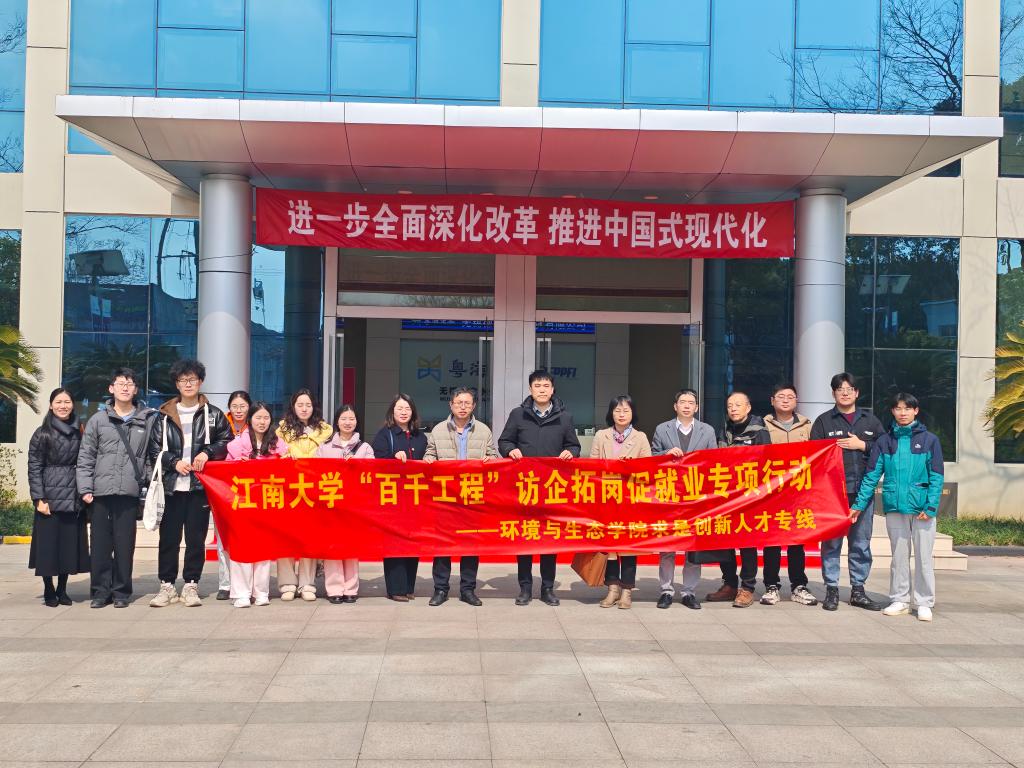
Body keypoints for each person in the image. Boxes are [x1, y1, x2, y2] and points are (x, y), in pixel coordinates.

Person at [851, 394, 943, 622]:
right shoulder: (885, 441)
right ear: (892, 411)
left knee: (923, 557)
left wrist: (931, 505)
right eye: (898, 408)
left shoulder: (930, 440)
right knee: (899, 556)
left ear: (916, 411)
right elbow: (871, 476)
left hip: (922, 509)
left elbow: (936, 475)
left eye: (907, 408)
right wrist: (859, 504)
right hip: (895, 507)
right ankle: (900, 599)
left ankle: (924, 602)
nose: (903, 413)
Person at [147, 359, 230, 608]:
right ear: (177, 384)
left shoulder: (213, 414)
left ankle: (191, 584)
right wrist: (174, 462)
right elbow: (154, 449)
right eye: (183, 380)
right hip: (172, 487)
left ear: (200, 382)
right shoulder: (163, 416)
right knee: (168, 539)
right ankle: (167, 586)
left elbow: (226, 441)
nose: (188, 384)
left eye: (192, 379)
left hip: (199, 487)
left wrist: (207, 452)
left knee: (195, 539)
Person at [498, 370, 580, 606]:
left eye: (546, 386)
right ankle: (525, 588)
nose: (542, 390)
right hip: (525, 488)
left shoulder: (565, 417)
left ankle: (547, 588)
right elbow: (504, 441)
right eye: (537, 385)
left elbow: (574, 445)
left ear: (552, 390)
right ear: (530, 389)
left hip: (552, 489)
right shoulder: (518, 414)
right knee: (525, 538)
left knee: (549, 540)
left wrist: (570, 452)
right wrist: (510, 450)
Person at [77, 368, 156, 608]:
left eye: (130, 383)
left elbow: (150, 457)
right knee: (100, 545)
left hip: (129, 492)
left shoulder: (146, 420)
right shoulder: (98, 420)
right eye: (120, 383)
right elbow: (86, 456)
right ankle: (100, 592)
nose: (125, 387)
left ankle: (121, 592)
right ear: (111, 388)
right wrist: (85, 488)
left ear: (136, 389)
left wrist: (149, 485)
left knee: (124, 545)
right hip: (100, 492)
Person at [810, 373, 886, 612]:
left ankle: (858, 590)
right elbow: (813, 457)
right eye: (840, 389)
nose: (845, 393)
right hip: (833, 494)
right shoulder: (823, 422)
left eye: (849, 389)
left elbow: (885, 450)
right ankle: (831, 589)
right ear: (833, 393)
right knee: (831, 543)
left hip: (863, 493)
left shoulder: (870, 421)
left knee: (860, 543)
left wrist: (862, 445)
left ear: (856, 393)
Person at [424, 387, 498, 607]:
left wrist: (491, 459)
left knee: (470, 544)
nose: (463, 407)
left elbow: (493, 456)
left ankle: (468, 589)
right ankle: (440, 589)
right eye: (459, 403)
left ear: (473, 406)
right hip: (445, 497)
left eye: (467, 403)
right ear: (451, 405)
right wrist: (428, 459)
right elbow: (430, 453)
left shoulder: (483, 430)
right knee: (442, 545)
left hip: (472, 496)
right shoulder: (438, 430)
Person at [650, 388, 716, 610]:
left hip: (696, 496)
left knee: (692, 546)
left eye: (691, 402)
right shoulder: (662, 429)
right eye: (683, 402)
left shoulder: (707, 430)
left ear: (696, 407)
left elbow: (714, 461)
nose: (687, 406)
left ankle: (689, 592)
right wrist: (666, 454)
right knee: (667, 546)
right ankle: (666, 591)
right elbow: (651, 457)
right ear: (675, 406)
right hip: (669, 495)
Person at [28, 388, 89, 607]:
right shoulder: (41, 433)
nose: (63, 406)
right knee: (48, 547)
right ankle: (48, 588)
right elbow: (34, 467)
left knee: (68, 546)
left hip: (73, 496)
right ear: (51, 405)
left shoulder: (80, 431)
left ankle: (63, 589)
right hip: (50, 498)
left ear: (73, 405)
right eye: (58, 402)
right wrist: (39, 498)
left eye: (67, 402)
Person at [709, 391, 770, 608]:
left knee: (746, 542)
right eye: (730, 405)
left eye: (737, 405)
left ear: (748, 407)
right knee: (725, 541)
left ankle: (747, 587)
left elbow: (767, 463)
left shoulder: (759, 431)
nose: (733, 409)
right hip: (726, 496)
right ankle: (729, 584)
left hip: (750, 497)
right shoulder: (724, 429)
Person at [590, 395, 651, 610]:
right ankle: (612, 589)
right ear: (611, 413)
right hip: (607, 499)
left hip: (631, 500)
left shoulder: (640, 437)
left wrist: (631, 467)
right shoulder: (601, 435)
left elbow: (648, 469)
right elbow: (592, 466)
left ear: (633, 413)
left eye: (626, 410)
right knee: (610, 547)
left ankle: (627, 591)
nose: (622, 414)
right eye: (617, 410)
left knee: (628, 547)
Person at [760, 384, 818, 607]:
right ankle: (771, 585)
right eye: (781, 396)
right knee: (772, 541)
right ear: (772, 400)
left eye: (790, 397)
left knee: (797, 541)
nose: (785, 400)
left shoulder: (808, 426)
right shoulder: (762, 426)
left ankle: (799, 585)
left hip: (798, 493)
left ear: (796, 400)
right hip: (772, 493)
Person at [225, 401, 286, 607]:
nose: (262, 422)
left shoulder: (278, 444)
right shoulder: (235, 446)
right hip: (243, 504)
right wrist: (236, 465)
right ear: (250, 419)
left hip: (267, 504)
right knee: (241, 546)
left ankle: (261, 591)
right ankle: (241, 593)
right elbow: (225, 474)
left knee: (263, 548)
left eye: (266, 418)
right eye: (258, 417)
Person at [275, 388, 333, 601]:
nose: (304, 409)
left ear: (314, 406)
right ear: (293, 406)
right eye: (300, 405)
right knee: (285, 536)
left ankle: (307, 583)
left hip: (314, 489)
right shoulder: (282, 430)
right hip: (289, 490)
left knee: (310, 535)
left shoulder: (325, 429)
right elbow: (278, 455)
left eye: (308, 405)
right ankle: (287, 583)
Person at [316, 404, 374, 604]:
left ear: (357, 422)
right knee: (332, 547)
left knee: (351, 547)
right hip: (331, 505)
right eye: (343, 419)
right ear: (337, 421)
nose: (348, 422)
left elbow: (372, 475)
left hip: (354, 507)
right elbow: (315, 474)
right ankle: (334, 589)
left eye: (351, 419)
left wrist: (357, 465)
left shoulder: (365, 448)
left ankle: (351, 588)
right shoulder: (324, 447)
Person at [372, 394, 428, 602]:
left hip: (416, 498)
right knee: (394, 543)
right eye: (399, 408)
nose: (404, 412)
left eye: (407, 408)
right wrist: (392, 458)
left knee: (413, 542)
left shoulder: (421, 437)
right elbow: (376, 462)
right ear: (392, 412)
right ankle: (395, 588)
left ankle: (408, 587)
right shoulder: (384, 434)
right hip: (392, 499)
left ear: (413, 412)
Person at [215, 389, 251, 600]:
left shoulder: (255, 426)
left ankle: (246, 583)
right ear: (229, 408)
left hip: (248, 491)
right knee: (223, 536)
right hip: (223, 489)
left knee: (247, 537)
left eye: (243, 406)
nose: (238, 410)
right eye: (235, 406)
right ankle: (225, 583)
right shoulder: (220, 425)